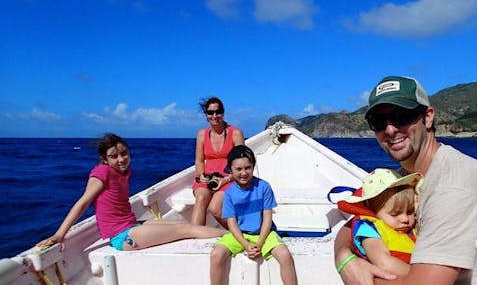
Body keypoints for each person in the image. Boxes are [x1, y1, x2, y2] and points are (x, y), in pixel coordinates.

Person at [334, 76, 477, 284]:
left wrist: (362, 275)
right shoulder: (404, 179)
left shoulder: (453, 186)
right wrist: (345, 258)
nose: (390, 130)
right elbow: (355, 222)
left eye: (402, 116)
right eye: (378, 122)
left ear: (428, 117)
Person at [37, 133, 226, 252]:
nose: (121, 159)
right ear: (104, 159)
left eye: (124, 153)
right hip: (123, 236)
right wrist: (60, 235)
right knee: (186, 229)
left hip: (131, 223)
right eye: (114, 156)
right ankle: (234, 238)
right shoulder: (101, 173)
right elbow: (83, 203)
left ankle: (230, 236)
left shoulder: (124, 172)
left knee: (183, 223)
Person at [210, 145, 297, 285]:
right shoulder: (230, 193)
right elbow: (231, 223)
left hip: (264, 233)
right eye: (238, 169)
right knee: (216, 254)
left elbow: (268, 218)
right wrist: (245, 244)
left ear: (253, 166)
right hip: (240, 234)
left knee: (285, 256)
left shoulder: (264, 187)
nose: (243, 173)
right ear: (230, 170)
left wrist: (259, 243)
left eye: (247, 168)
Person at [338, 168, 421, 277]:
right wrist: (422, 276)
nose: (405, 219)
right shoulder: (369, 230)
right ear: (374, 211)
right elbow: (383, 263)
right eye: (395, 214)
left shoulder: (410, 231)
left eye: (410, 212)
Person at [192, 97, 245, 227]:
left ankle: (241, 233)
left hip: (229, 179)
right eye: (210, 113)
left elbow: (243, 164)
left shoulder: (235, 134)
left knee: (214, 208)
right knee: (201, 198)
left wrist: (226, 179)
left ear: (223, 112)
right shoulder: (202, 135)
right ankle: (195, 238)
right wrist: (202, 175)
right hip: (208, 179)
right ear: (206, 115)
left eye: (218, 112)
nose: (214, 116)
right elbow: (199, 161)